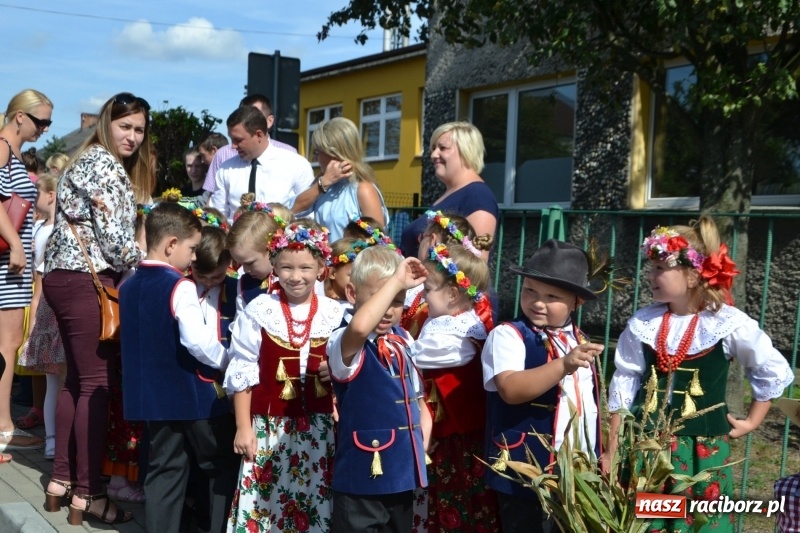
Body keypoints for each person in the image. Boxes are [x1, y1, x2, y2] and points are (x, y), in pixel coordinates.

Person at [606, 219, 795, 533]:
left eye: (659, 269)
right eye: (650, 268)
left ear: (693, 274)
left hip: (701, 451)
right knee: (648, 521)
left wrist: (751, 422)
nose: (650, 276)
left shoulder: (726, 323)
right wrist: (612, 450)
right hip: (648, 446)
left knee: (698, 522)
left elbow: (770, 369)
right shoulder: (644, 323)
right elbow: (623, 384)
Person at [42, 92, 151, 524]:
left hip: (63, 276)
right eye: (125, 126)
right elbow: (115, 241)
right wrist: (156, 264)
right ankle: (89, 493)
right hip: (87, 280)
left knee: (76, 382)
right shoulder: (104, 165)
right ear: (107, 123)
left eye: (139, 129)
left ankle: (60, 483)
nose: (132, 136)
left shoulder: (84, 160)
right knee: (96, 386)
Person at [120, 202, 237, 533]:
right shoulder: (180, 285)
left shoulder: (128, 284)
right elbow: (197, 342)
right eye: (192, 248)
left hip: (152, 400)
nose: (193, 256)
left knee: (164, 470)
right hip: (193, 395)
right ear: (171, 244)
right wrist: (228, 363)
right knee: (217, 464)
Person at [224, 220, 342, 532]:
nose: (295, 276)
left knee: (314, 501)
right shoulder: (261, 309)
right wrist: (242, 427)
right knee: (267, 501)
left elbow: (351, 366)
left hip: (319, 431)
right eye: (286, 267)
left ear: (320, 267)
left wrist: (338, 374)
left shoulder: (335, 313)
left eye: (305, 267)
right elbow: (242, 369)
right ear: (274, 265)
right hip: (268, 429)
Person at [482, 239, 605, 533]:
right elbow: (510, 389)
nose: (538, 302)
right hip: (524, 464)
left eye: (552, 296)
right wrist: (563, 365)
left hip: (576, 465)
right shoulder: (508, 335)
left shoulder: (579, 338)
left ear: (578, 301)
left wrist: (602, 453)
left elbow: (590, 405)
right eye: (530, 291)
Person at [327, 246, 432, 532]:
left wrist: (421, 436)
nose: (388, 309)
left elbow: (416, 398)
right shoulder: (344, 340)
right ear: (352, 293)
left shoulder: (403, 339)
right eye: (379, 296)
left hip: (401, 473)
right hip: (362, 477)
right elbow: (361, 328)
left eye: (398, 300)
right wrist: (397, 281)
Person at [413, 239, 499, 531]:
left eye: (428, 289)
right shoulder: (448, 323)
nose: (423, 296)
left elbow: (416, 357)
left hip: (456, 438)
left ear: (452, 294)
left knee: (459, 501)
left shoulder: (455, 336)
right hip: (445, 435)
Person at [0, 89, 53, 454]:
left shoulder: (13, 152)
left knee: (9, 344)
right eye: (41, 121)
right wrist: (17, 243)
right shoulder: (3, 146)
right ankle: (3, 426)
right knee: (7, 345)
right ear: (20, 116)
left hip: (11, 264)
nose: (46, 129)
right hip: (7, 261)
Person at [208, 106, 351, 220]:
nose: (232, 146)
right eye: (231, 139)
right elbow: (217, 215)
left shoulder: (295, 164)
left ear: (259, 135)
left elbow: (307, 215)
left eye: (238, 140)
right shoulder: (226, 169)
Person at [400, 122, 499, 259]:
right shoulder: (451, 193)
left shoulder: (478, 196)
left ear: (466, 150)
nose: (434, 155)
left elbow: (476, 261)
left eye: (443, 148)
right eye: (434, 148)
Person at [16, 174, 63, 461]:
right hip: (52, 314)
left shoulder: (43, 229)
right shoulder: (49, 230)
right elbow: (39, 284)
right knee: (58, 384)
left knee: (55, 384)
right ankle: (53, 440)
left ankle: (52, 440)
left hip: (47, 312)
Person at [202, 94, 297, 196]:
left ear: (269, 121)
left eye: (256, 114)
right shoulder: (223, 155)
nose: (248, 118)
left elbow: (300, 201)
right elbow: (212, 199)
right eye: (243, 114)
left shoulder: (289, 154)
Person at [311, 117, 389, 241]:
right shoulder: (321, 185)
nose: (316, 159)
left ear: (334, 154)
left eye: (318, 152)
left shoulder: (363, 190)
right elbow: (293, 210)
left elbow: (378, 242)